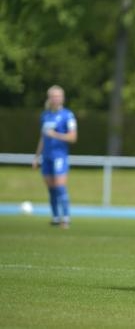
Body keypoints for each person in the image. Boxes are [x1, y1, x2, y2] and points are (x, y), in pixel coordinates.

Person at [32, 85, 77, 229]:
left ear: (62, 98)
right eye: (53, 96)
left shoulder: (67, 115)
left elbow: (73, 137)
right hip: (46, 157)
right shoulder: (45, 115)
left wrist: (55, 134)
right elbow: (42, 138)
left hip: (60, 157)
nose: (55, 99)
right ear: (49, 98)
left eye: (58, 96)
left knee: (60, 187)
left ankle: (66, 218)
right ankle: (55, 217)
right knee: (51, 189)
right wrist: (36, 157)